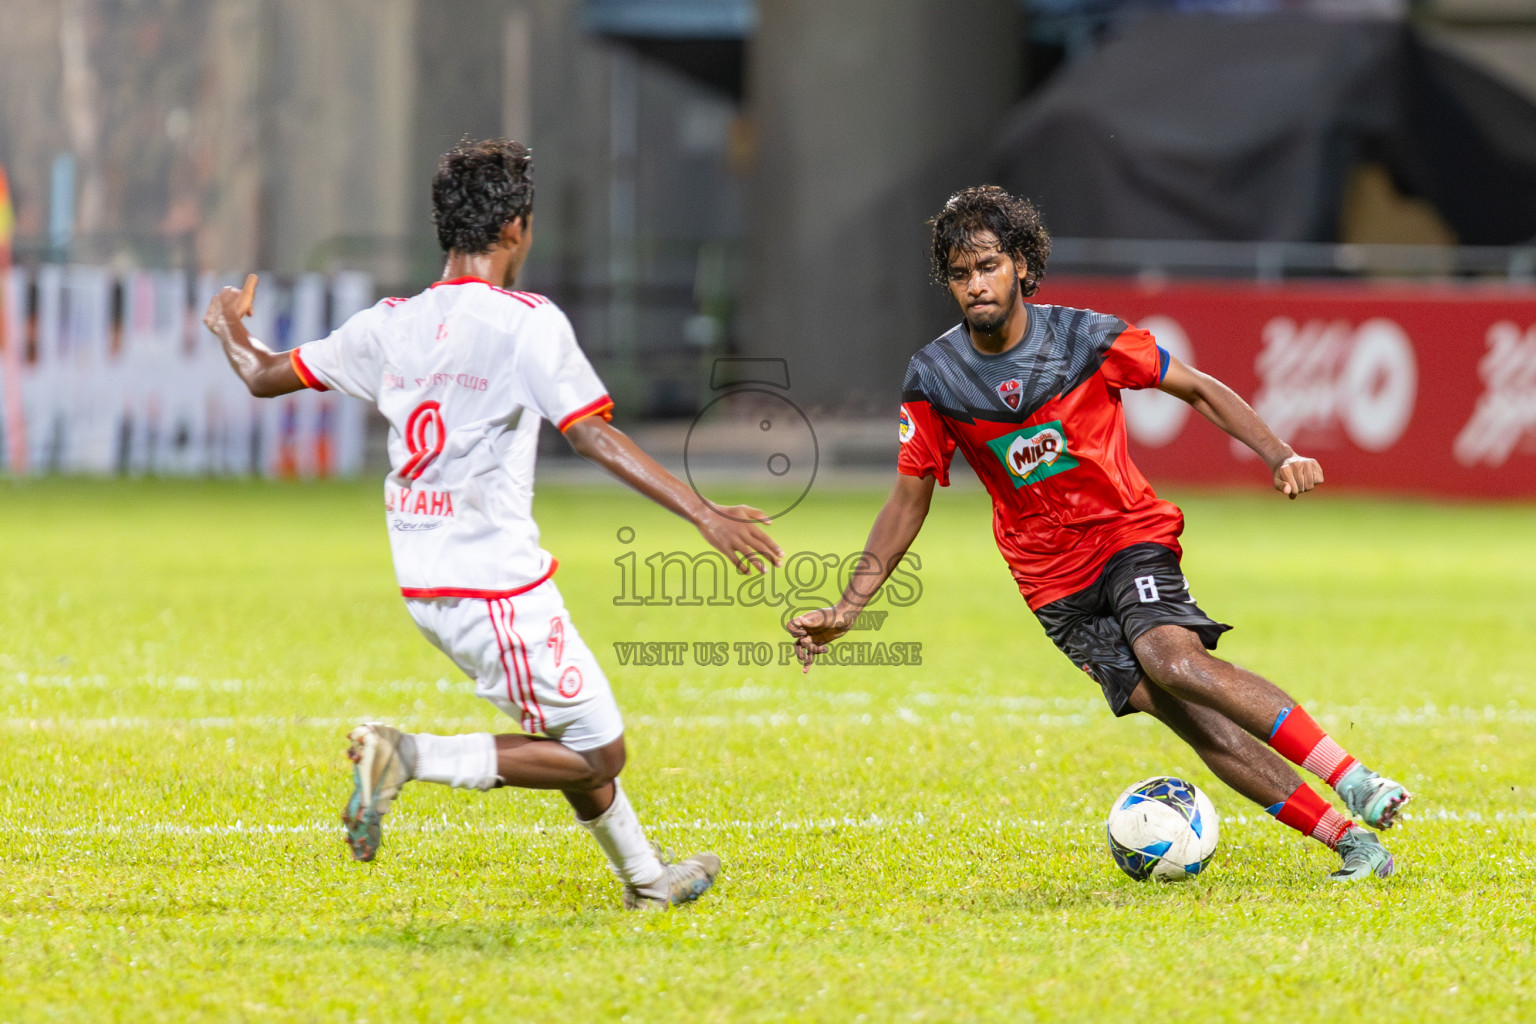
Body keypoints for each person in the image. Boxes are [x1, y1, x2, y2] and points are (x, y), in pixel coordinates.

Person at [204, 138, 782, 909]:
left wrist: (226, 325)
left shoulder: (389, 323)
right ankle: (406, 756)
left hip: (428, 583)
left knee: (567, 734)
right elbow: (590, 431)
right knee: (596, 750)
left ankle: (647, 881)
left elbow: (264, 373)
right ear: (515, 228)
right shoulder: (527, 323)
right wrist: (704, 514)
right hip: (495, 589)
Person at [787, 185, 1411, 882]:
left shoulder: (1088, 338)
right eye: (961, 274)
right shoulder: (934, 378)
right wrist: (849, 608)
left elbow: (1200, 388)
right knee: (1183, 714)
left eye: (988, 266)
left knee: (1173, 660)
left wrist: (1279, 453)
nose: (975, 285)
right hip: (1051, 584)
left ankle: (1351, 776)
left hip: (1125, 536)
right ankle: (1353, 844)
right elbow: (909, 499)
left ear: (1022, 265)